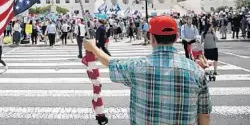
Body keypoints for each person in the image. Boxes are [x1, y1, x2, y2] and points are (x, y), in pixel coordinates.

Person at [83, 16, 212, 125]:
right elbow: (204, 115)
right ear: (176, 37)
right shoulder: (197, 71)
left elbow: (112, 64)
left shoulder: (137, 67)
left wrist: (93, 48)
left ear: (151, 38)